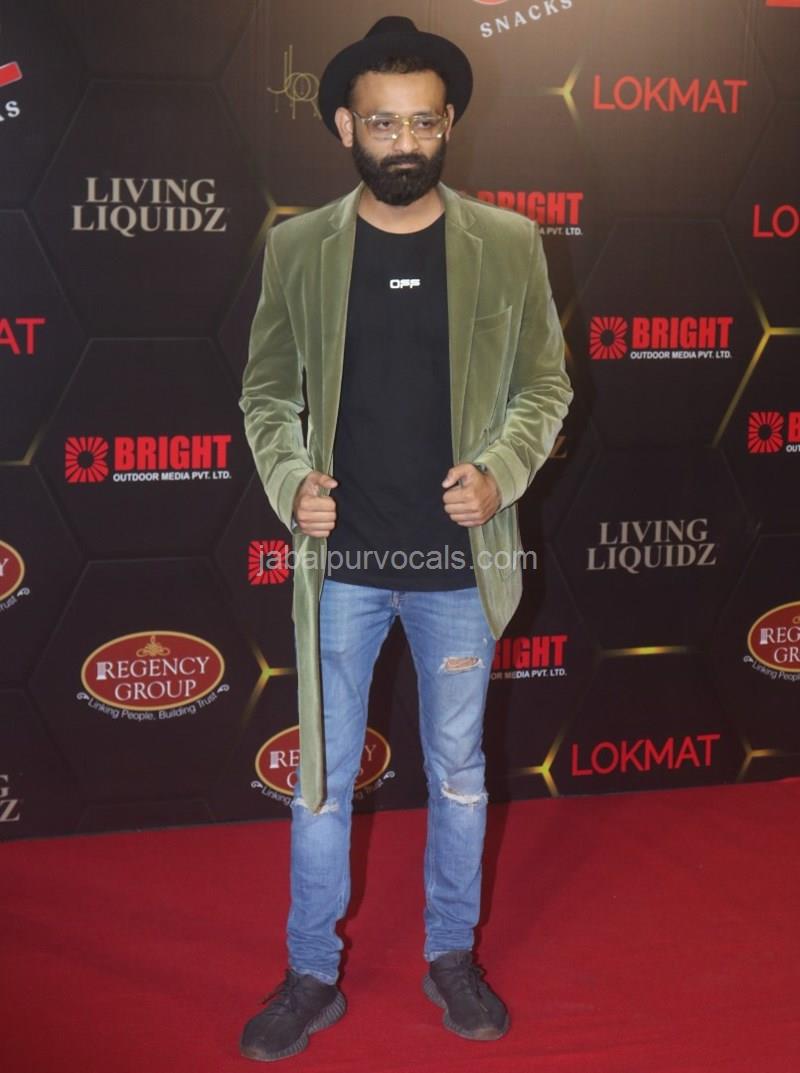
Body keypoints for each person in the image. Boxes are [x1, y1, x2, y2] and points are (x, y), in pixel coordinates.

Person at [237, 15, 573, 1062]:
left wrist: (500, 470)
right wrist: (290, 482)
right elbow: (265, 394)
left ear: (448, 123)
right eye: (382, 123)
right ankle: (310, 971)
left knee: (459, 771)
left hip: (454, 569)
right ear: (345, 126)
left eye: (423, 122)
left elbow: (546, 386)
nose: (404, 142)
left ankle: (449, 952)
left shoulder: (508, 243)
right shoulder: (297, 248)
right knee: (322, 781)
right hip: (340, 569)